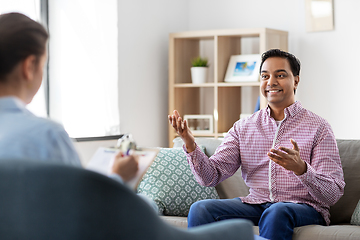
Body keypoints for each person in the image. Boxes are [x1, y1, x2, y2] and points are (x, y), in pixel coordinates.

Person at [169, 49, 345, 240]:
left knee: (277, 211)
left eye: (280, 75)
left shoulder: (319, 127)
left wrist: (302, 169)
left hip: (304, 208)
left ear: (295, 80)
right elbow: (210, 177)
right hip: (256, 204)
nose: (271, 82)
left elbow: (332, 194)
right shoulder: (244, 127)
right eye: (265, 76)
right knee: (201, 209)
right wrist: (190, 143)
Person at [0, 12, 137, 184]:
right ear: (29, 67)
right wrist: (118, 177)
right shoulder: (48, 136)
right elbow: (83, 207)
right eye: (43, 65)